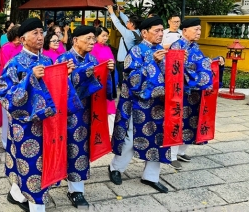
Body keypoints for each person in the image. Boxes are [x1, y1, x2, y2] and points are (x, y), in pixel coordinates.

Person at [0, 18, 61, 212]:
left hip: (48, 124)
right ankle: (36, 206)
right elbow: (4, 94)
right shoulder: (14, 63)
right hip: (25, 125)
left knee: (43, 163)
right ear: (23, 39)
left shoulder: (48, 60)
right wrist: (29, 79)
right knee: (32, 166)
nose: (40, 37)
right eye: (35, 33)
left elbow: (56, 91)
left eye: (41, 33)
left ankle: (16, 194)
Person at [108, 16, 170, 193]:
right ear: (144, 33)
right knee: (130, 138)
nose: (160, 34)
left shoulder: (162, 50)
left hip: (158, 104)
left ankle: (151, 176)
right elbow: (132, 79)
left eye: (161, 30)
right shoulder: (135, 51)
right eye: (156, 31)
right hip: (137, 104)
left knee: (158, 138)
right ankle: (115, 168)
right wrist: (153, 62)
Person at [57, 26, 114, 209]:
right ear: (75, 40)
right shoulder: (63, 59)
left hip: (89, 112)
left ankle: (75, 188)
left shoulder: (93, 59)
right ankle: (70, 188)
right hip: (70, 114)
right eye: (88, 38)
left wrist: (108, 72)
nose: (92, 42)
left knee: (81, 150)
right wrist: (76, 75)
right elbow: (57, 89)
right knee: (70, 149)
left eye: (93, 39)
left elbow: (101, 85)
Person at [169, 18, 214, 170]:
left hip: (193, 93)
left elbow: (203, 63)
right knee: (178, 122)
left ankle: (181, 151)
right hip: (180, 93)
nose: (199, 32)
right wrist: (198, 77)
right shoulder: (177, 46)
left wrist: (215, 61)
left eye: (200, 30)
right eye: (196, 29)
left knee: (191, 122)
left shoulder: (194, 47)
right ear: (185, 31)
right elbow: (177, 70)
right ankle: (172, 155)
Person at [0, 25, 22, 149]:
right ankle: (5, 141)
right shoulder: (6, 48)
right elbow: (5, 66)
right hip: (10, 82)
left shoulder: (23, 48)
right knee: (7, 113)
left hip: (22, 82)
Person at [90, 26, 118, 136]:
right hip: (99, 81)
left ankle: (110, 131)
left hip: (109, 79)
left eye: (107, 36)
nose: (105, 38)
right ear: (96, 37)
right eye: (103, 36)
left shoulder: (107, 47)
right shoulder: (93, 48)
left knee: (110, 104)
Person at [106, 5, 142, 87]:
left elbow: (117, 24)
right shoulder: (138, 32)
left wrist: (112, 12)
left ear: (132, 24)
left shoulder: (128, 34)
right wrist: (120, 13)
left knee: (124, 84)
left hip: (124, 62)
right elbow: (126, 20)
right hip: (131, 61)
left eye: (129, 22)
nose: (127, 22)